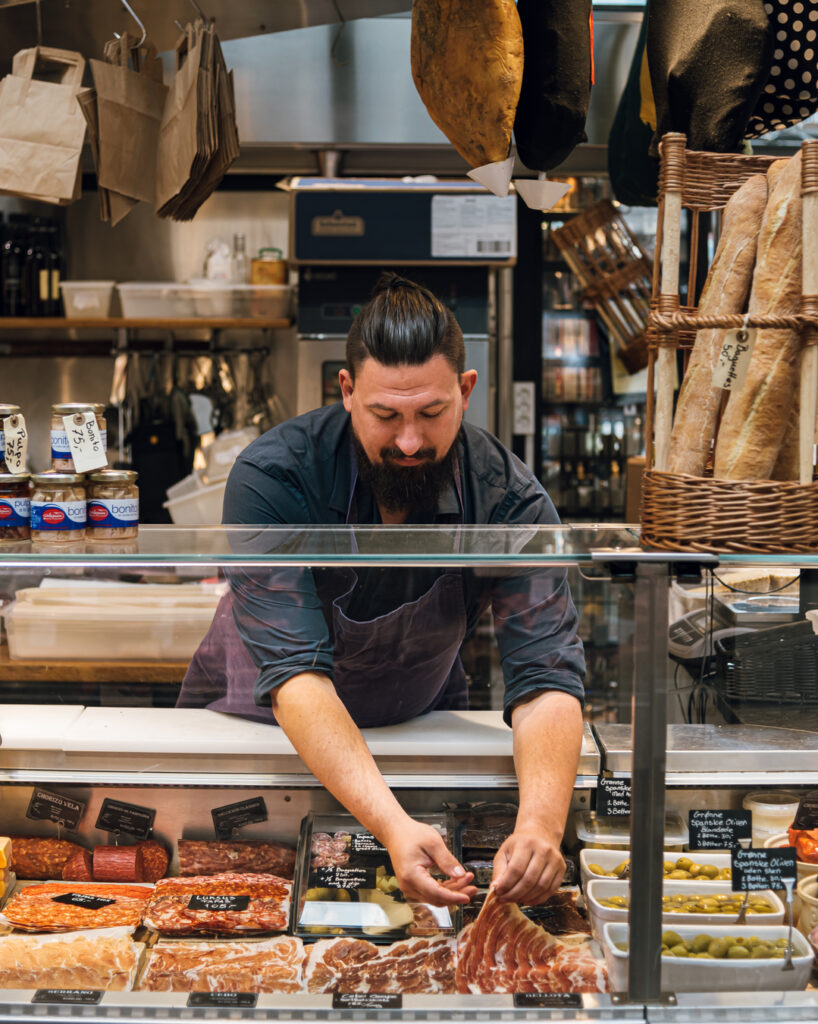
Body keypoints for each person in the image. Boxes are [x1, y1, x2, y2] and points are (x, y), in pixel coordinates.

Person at [178, 273, 585, 910]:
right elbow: (295, 678)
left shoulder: (506, 497)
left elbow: (546, 676)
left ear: (466, 391)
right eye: (385, 415)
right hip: (259, 734)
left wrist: (538, 825)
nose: (409, 441)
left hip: (413, 728)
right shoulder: (275, 476)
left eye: (431, 412)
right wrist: (392, 826)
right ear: (346, 390)